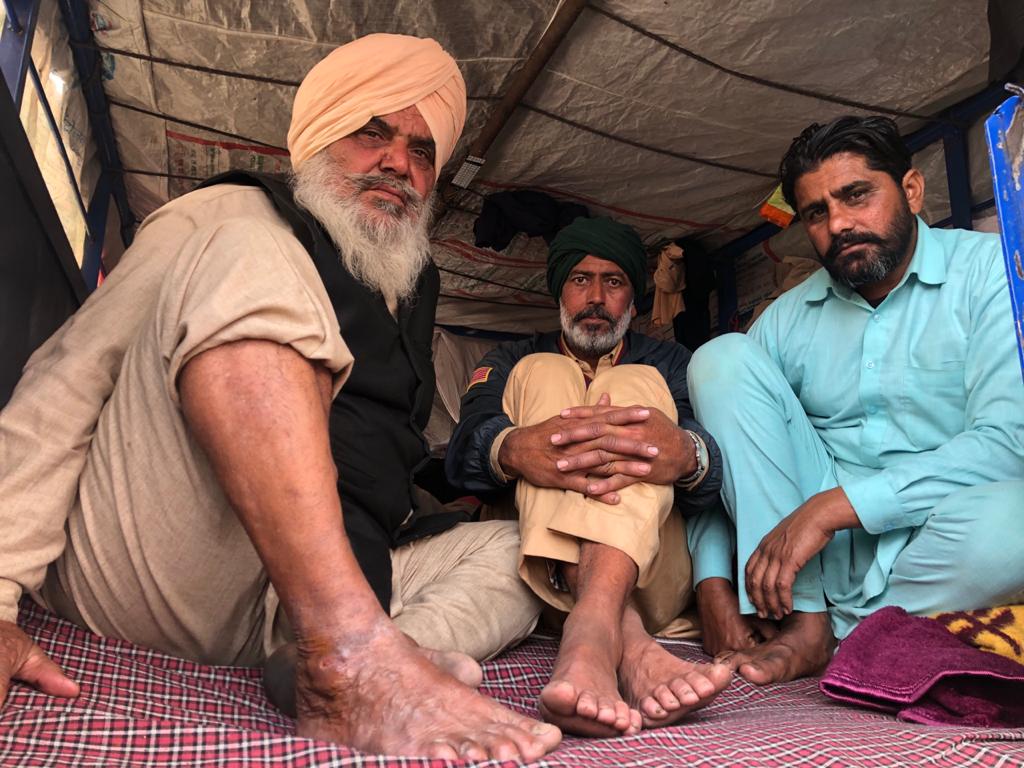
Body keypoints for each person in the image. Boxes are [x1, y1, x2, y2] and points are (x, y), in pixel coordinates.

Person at [0, 34, 562, 762]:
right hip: (168, 566)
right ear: (320, 139)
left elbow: (376, 448)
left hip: (293, 601)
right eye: (371, 133)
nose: (399, 162)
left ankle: (376, 658)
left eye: (423, 152)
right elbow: (66, 382)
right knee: (249, 242)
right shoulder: (228, 215)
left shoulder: (412, 287)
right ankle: (349, 657)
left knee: (523, 550)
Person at [686, 115, 1024, 685]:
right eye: (816, 212)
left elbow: (1008, 444)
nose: (838, 224)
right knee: (719, 359)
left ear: (912, 190)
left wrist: (835, 508)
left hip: (937, 549)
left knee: (1016, 518)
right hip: (809, 568)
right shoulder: (787, 318)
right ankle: (808, 624)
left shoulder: (992, 274)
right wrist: (712, 585)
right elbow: (725, 461)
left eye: (856, 195)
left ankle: (855, 634)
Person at [446, 216, 733, 738]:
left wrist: (687, 453)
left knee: (634, 380)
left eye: (614, 281)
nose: (596, 296)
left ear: (633, 298)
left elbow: (717, 481)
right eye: (580, 280)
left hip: (650, 575)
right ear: (560, 291)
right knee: (544, 370)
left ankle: (593, 627)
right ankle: (626, 644)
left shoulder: (670, 363)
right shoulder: (511, 360)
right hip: (532, 575)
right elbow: (459, 455)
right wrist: (513, 447)